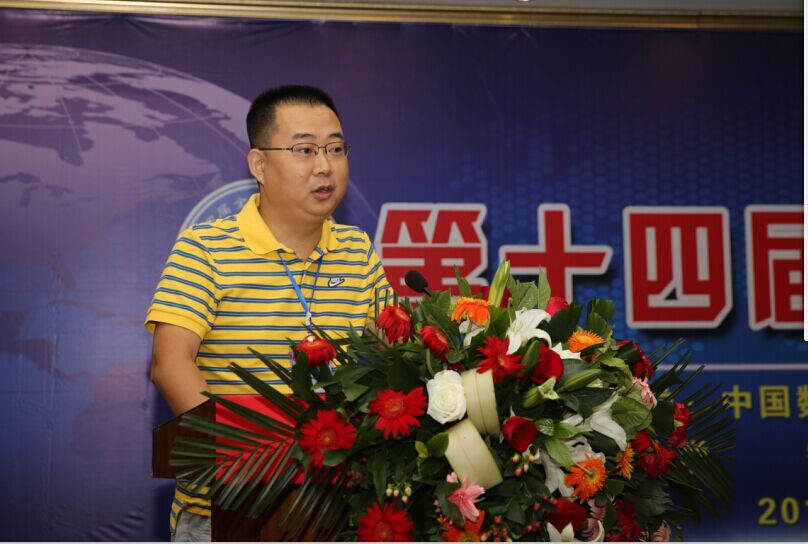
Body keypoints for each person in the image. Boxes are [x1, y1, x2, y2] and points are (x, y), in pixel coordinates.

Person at [145, 85, 391, 541]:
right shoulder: (205, 248)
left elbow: (394, 351)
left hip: (337, 508)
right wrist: (251, 455)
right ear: (259, 165)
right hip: (227, 509)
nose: (325, 166)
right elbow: (169, 362)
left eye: (335, 149)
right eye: (305, 150)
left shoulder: (357, 252)